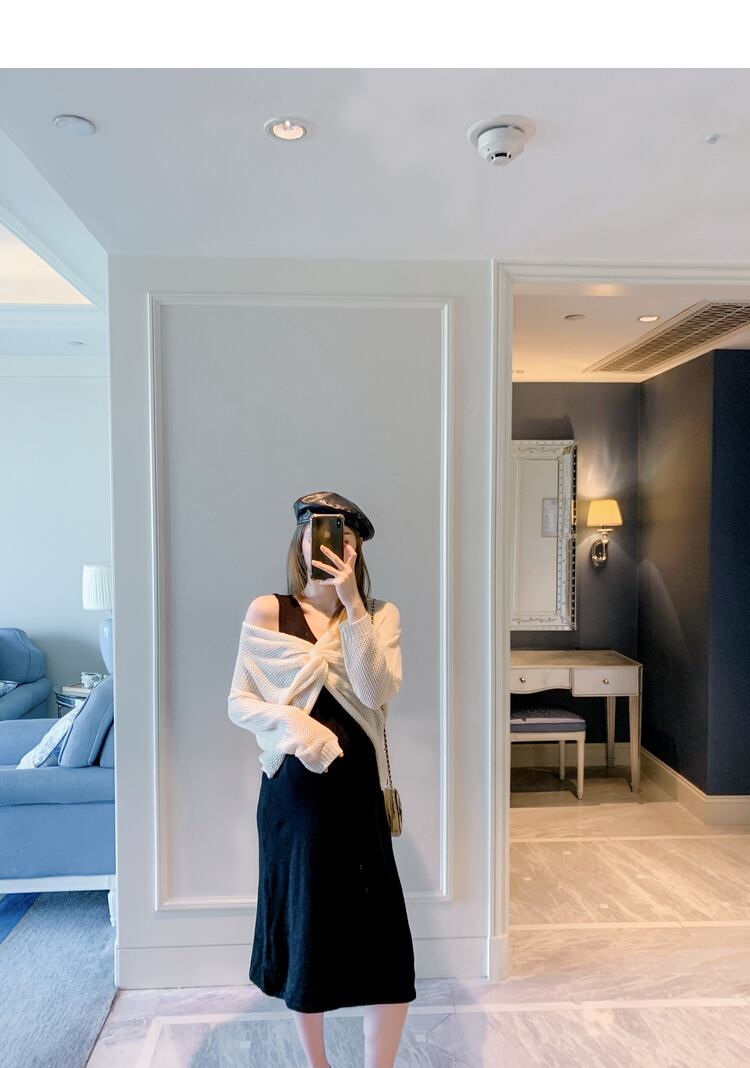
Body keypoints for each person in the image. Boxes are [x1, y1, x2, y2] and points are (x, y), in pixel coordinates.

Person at [227, 491, 416, 1068]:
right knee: (306, 928)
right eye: (320, 532)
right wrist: (295, 725)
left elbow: (374, 691)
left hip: (358, 795)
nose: (331, 544)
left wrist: (352, 605)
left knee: (381, 937)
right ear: (301, 541)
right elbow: (239, 703)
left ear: (357, 552)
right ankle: (319, 1064)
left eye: (344, 537)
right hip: (294, 796)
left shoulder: (379, 615)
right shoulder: (268, 610)